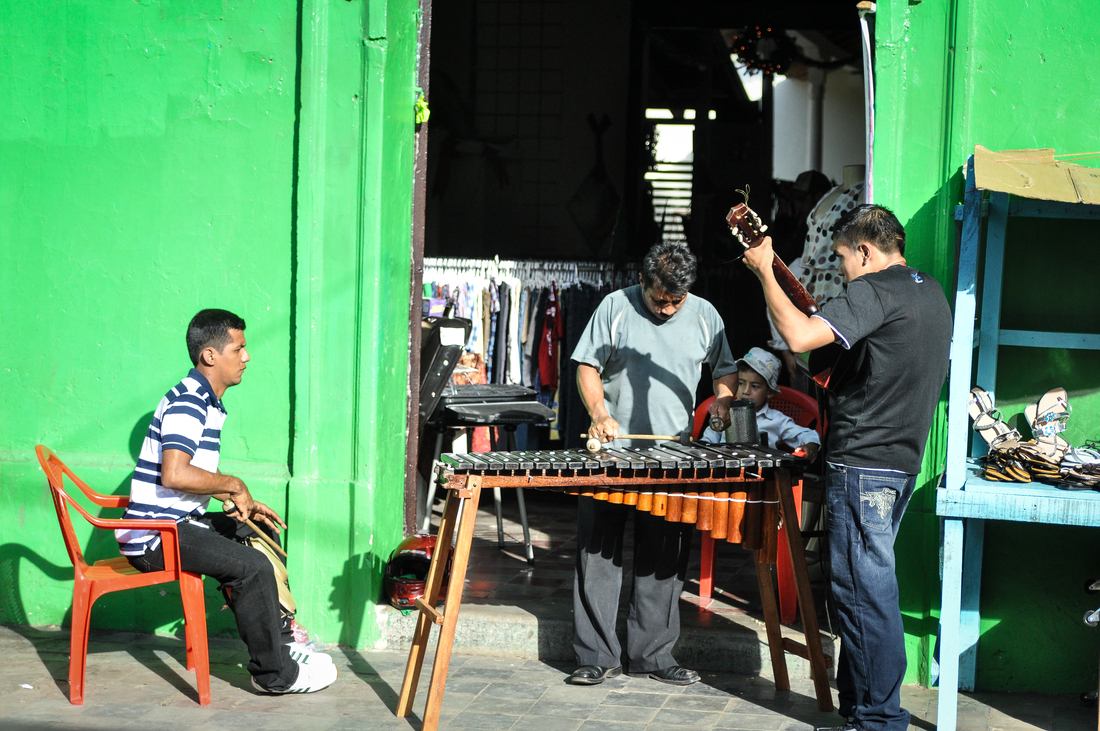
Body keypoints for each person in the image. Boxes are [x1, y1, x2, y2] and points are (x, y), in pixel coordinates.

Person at [743, 205, 951, 731]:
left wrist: (767, 270)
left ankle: (880, 719)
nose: (842, 273)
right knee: (865, 588)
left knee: (864, 593)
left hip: (863, 464)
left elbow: (799, 338)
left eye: (842, 259)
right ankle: (861, 709)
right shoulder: (931, 293)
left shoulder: (874, 290)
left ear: (865, 250)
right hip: (901, 462)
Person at [115, 309, 337, 694]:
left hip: (179, 522)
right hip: (156, 536)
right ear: (211, 356)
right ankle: (274, 675)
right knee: (251, 568)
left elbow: (186, 477)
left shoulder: (205, 400)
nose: (246, 357)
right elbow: (174, 473)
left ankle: (280, 639)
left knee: (259, 527)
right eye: (239, 348)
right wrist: (233, 485)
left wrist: (237, 498)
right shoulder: (189, 402)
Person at [568, 242, 739, 687]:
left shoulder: (705, 314)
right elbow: (587, 365)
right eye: (658, 299)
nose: (665, 310)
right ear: (642, 282)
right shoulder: (615, 307)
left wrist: (722, 402)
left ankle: (653, 654)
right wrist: (599, 414)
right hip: (611, 455)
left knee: (664, 557)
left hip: (672, 457)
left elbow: (724, 370)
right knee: (598, 555)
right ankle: (595, 655)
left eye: (674, 302)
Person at [701, 346, 820, 461]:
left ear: (769, 392)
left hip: (762, 477)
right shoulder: (725, 413)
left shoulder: (776, 420)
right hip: (725, 475)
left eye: (754, 386)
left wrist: (809, 446)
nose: (746, 391)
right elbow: (707, 441)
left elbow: (808, 435)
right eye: (741, 383)